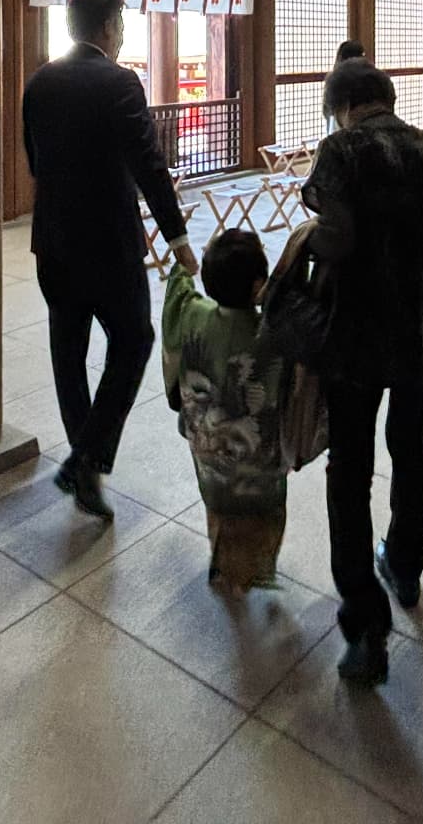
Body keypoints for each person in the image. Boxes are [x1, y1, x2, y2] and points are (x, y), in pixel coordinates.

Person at [301, 60, 423, 684]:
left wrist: (305, 242)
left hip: (359, 334)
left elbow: (337, 238)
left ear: (341, 106)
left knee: (349, 468)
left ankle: (365, 626)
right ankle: (405, 563)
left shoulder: (341, 149)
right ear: (388, 100)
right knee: (410, 444)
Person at [24, 0, 198, 520]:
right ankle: (87, 458)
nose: (122, 36)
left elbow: (35, 160)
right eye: (121, 26)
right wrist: (178, 238)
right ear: (105, 28)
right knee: (134, 338)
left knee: (68, 350)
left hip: (52, 240)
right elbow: (148, 163)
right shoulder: (120, 81)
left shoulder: (40, 81)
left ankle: (85, 467)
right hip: (107, 243)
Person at [161, 228, 288, 593]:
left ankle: (224, 565)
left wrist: (183, 266)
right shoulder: (272, 332)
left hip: (210, 452)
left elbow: (177, 298)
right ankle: (253, 569)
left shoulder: (194, 318)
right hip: (259, 461)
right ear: (257, 286)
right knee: (261, 511)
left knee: (220, 506)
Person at [320, 39, 367, 134]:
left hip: (336, 127)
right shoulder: (364, 77)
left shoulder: (333, 77)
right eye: (361, 55)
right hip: (352, 129)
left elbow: (326, 110)